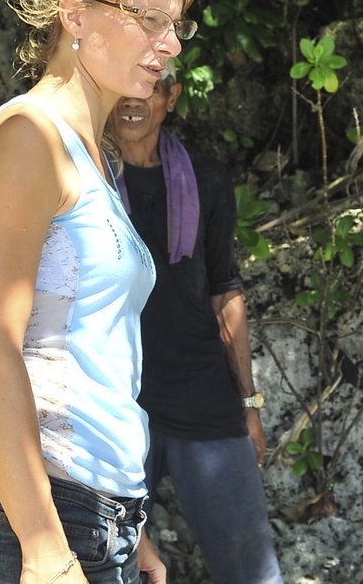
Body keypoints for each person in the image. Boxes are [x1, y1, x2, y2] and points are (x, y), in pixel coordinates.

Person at [0, 0, 199, 584]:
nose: (169, 43)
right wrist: (46, 548)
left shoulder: (95, 161)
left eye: (176, 24)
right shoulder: (30, 136)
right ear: (73, 13)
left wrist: (130, 536)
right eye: (148, 17)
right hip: (23, 526)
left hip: (92, 514)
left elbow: (91, 352)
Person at [109, 63, 284, 584]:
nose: (134, 100)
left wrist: (248, 403)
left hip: (201, 393)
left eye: (151, 88)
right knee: (110, 567)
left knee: (253, 572)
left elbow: (224, 290)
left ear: (171, 98)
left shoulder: (203, 179)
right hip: (116, 399)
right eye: (123, 87)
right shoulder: (85, 181)